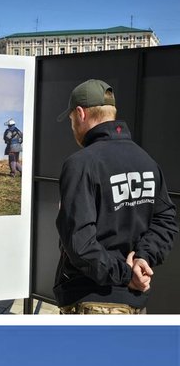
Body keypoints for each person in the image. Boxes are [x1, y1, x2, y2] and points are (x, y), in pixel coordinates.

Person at [53, 79, 177, 314]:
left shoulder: (80, 164)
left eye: (70, 121)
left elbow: (80, 244)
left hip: (92, 301)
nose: (72, 128)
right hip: (135, 300)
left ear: (80, 114)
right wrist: (143, 259)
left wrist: (126, 274)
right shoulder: (146, 160)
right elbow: (166, 220)